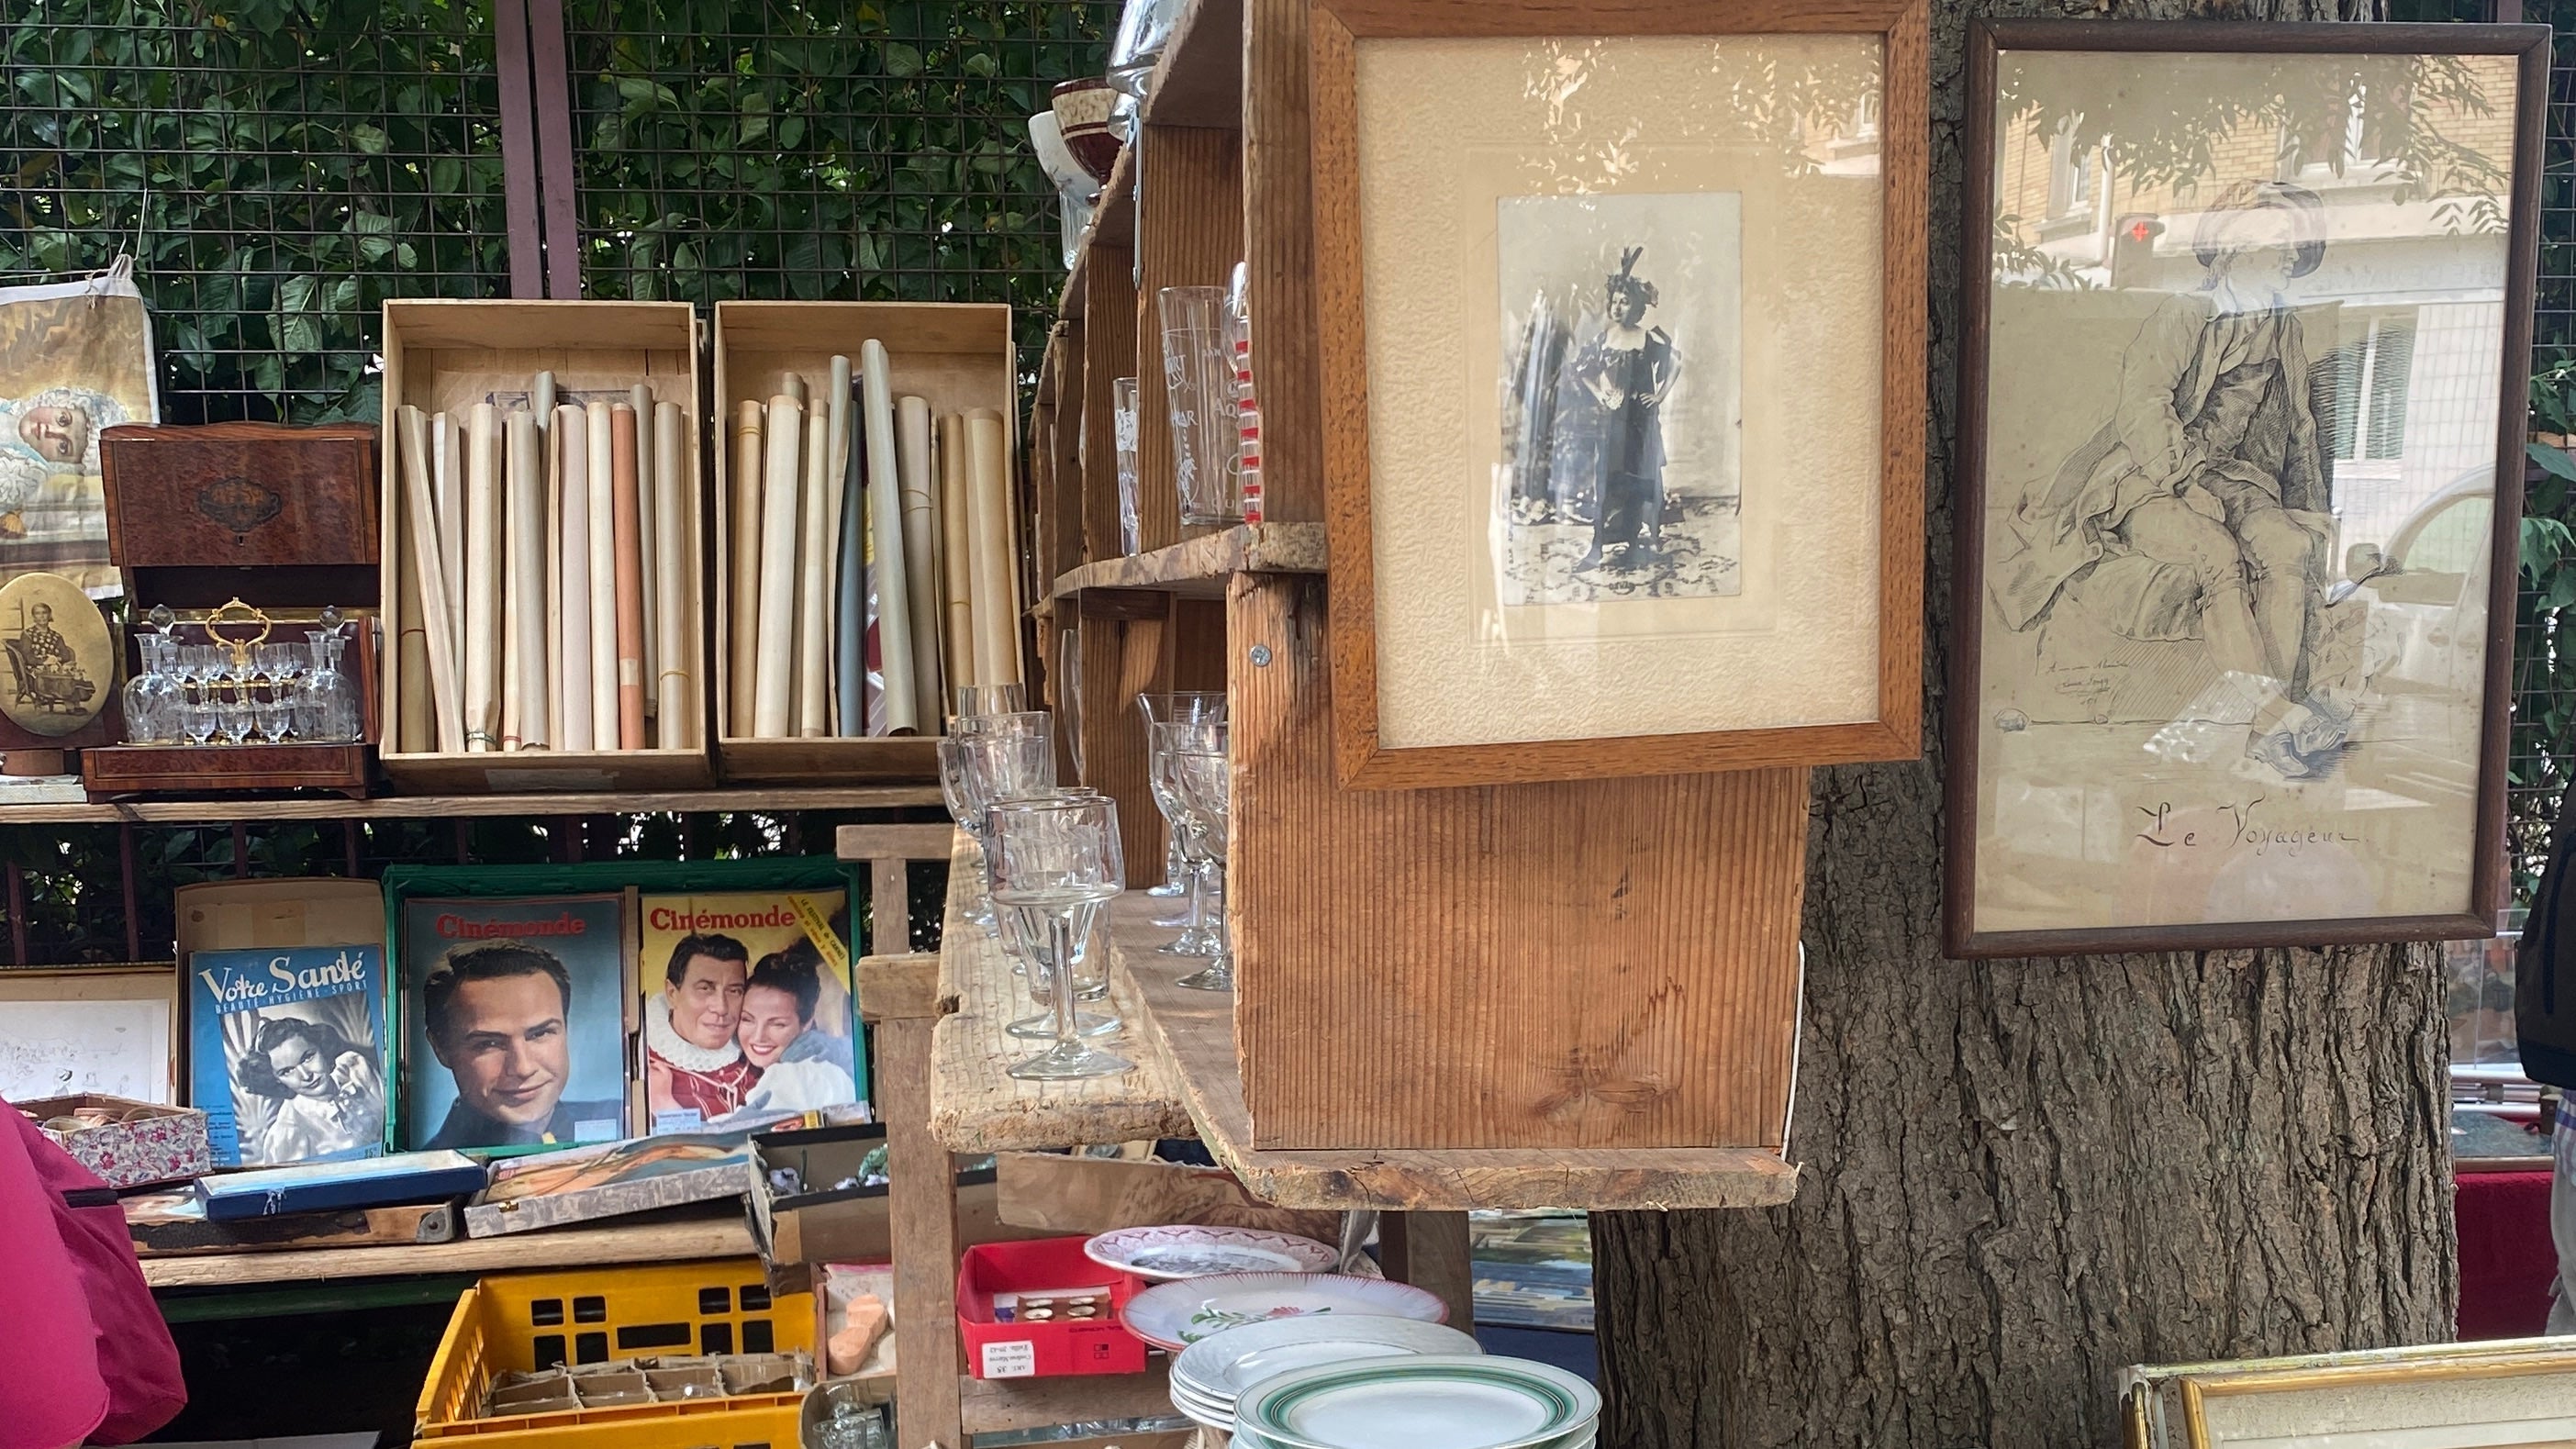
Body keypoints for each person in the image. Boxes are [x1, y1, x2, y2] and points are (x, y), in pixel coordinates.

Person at [1990, 179, 2345, 777]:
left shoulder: (2282, 327)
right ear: (2233, 244)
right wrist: (2183, 482)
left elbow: (2298, 428)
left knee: (2286, 545)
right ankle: (2265, 713)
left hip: (2227, 475)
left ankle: (2273, 722)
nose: (2287, 253)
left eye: (2293, 243)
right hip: (2143, 479)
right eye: (2274, 239)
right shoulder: (2185, 311)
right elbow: (2140, 405)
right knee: (2215, 553)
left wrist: (2312, 509)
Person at [418, 941, 621, 1151]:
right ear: (440, 1049)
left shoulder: (625, 1118)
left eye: (540, 1033)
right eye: (489, 1043)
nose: (523, 1068)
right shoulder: (428, 1172)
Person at [1566, 246, 1682, 574]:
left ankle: (1639, 544)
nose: (1617, 307)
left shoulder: (1648, 338)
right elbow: (1581, 370)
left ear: (1638, 307)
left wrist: (1659, 396)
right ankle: (1597, 547)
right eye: (1614, 300)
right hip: (1613, 424)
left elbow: (1676, 362)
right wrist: (1602, 394)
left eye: (1624, 301)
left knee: (1643, 481)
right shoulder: (1605, 339)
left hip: (1642, 424)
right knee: (1609, 482)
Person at [231, 1016, 384, 1165]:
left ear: (320, 1047)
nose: (306, 1075)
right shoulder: (288, 1133)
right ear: (276, 1079)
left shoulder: (354, 1069)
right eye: (286, 1071)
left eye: (307, 1057)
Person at [644, 932, 759, 1125]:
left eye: (734, 991)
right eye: (705, 989)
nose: (721, 1008)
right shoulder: (640, 1065)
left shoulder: (759, 1052)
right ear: (673, 993)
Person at [738, 948, 858, 1114]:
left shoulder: (791, 1075)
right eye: (747, 1019)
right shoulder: (824, 1069)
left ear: (806, 1022)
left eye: (777, 1024)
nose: (758, 1036)